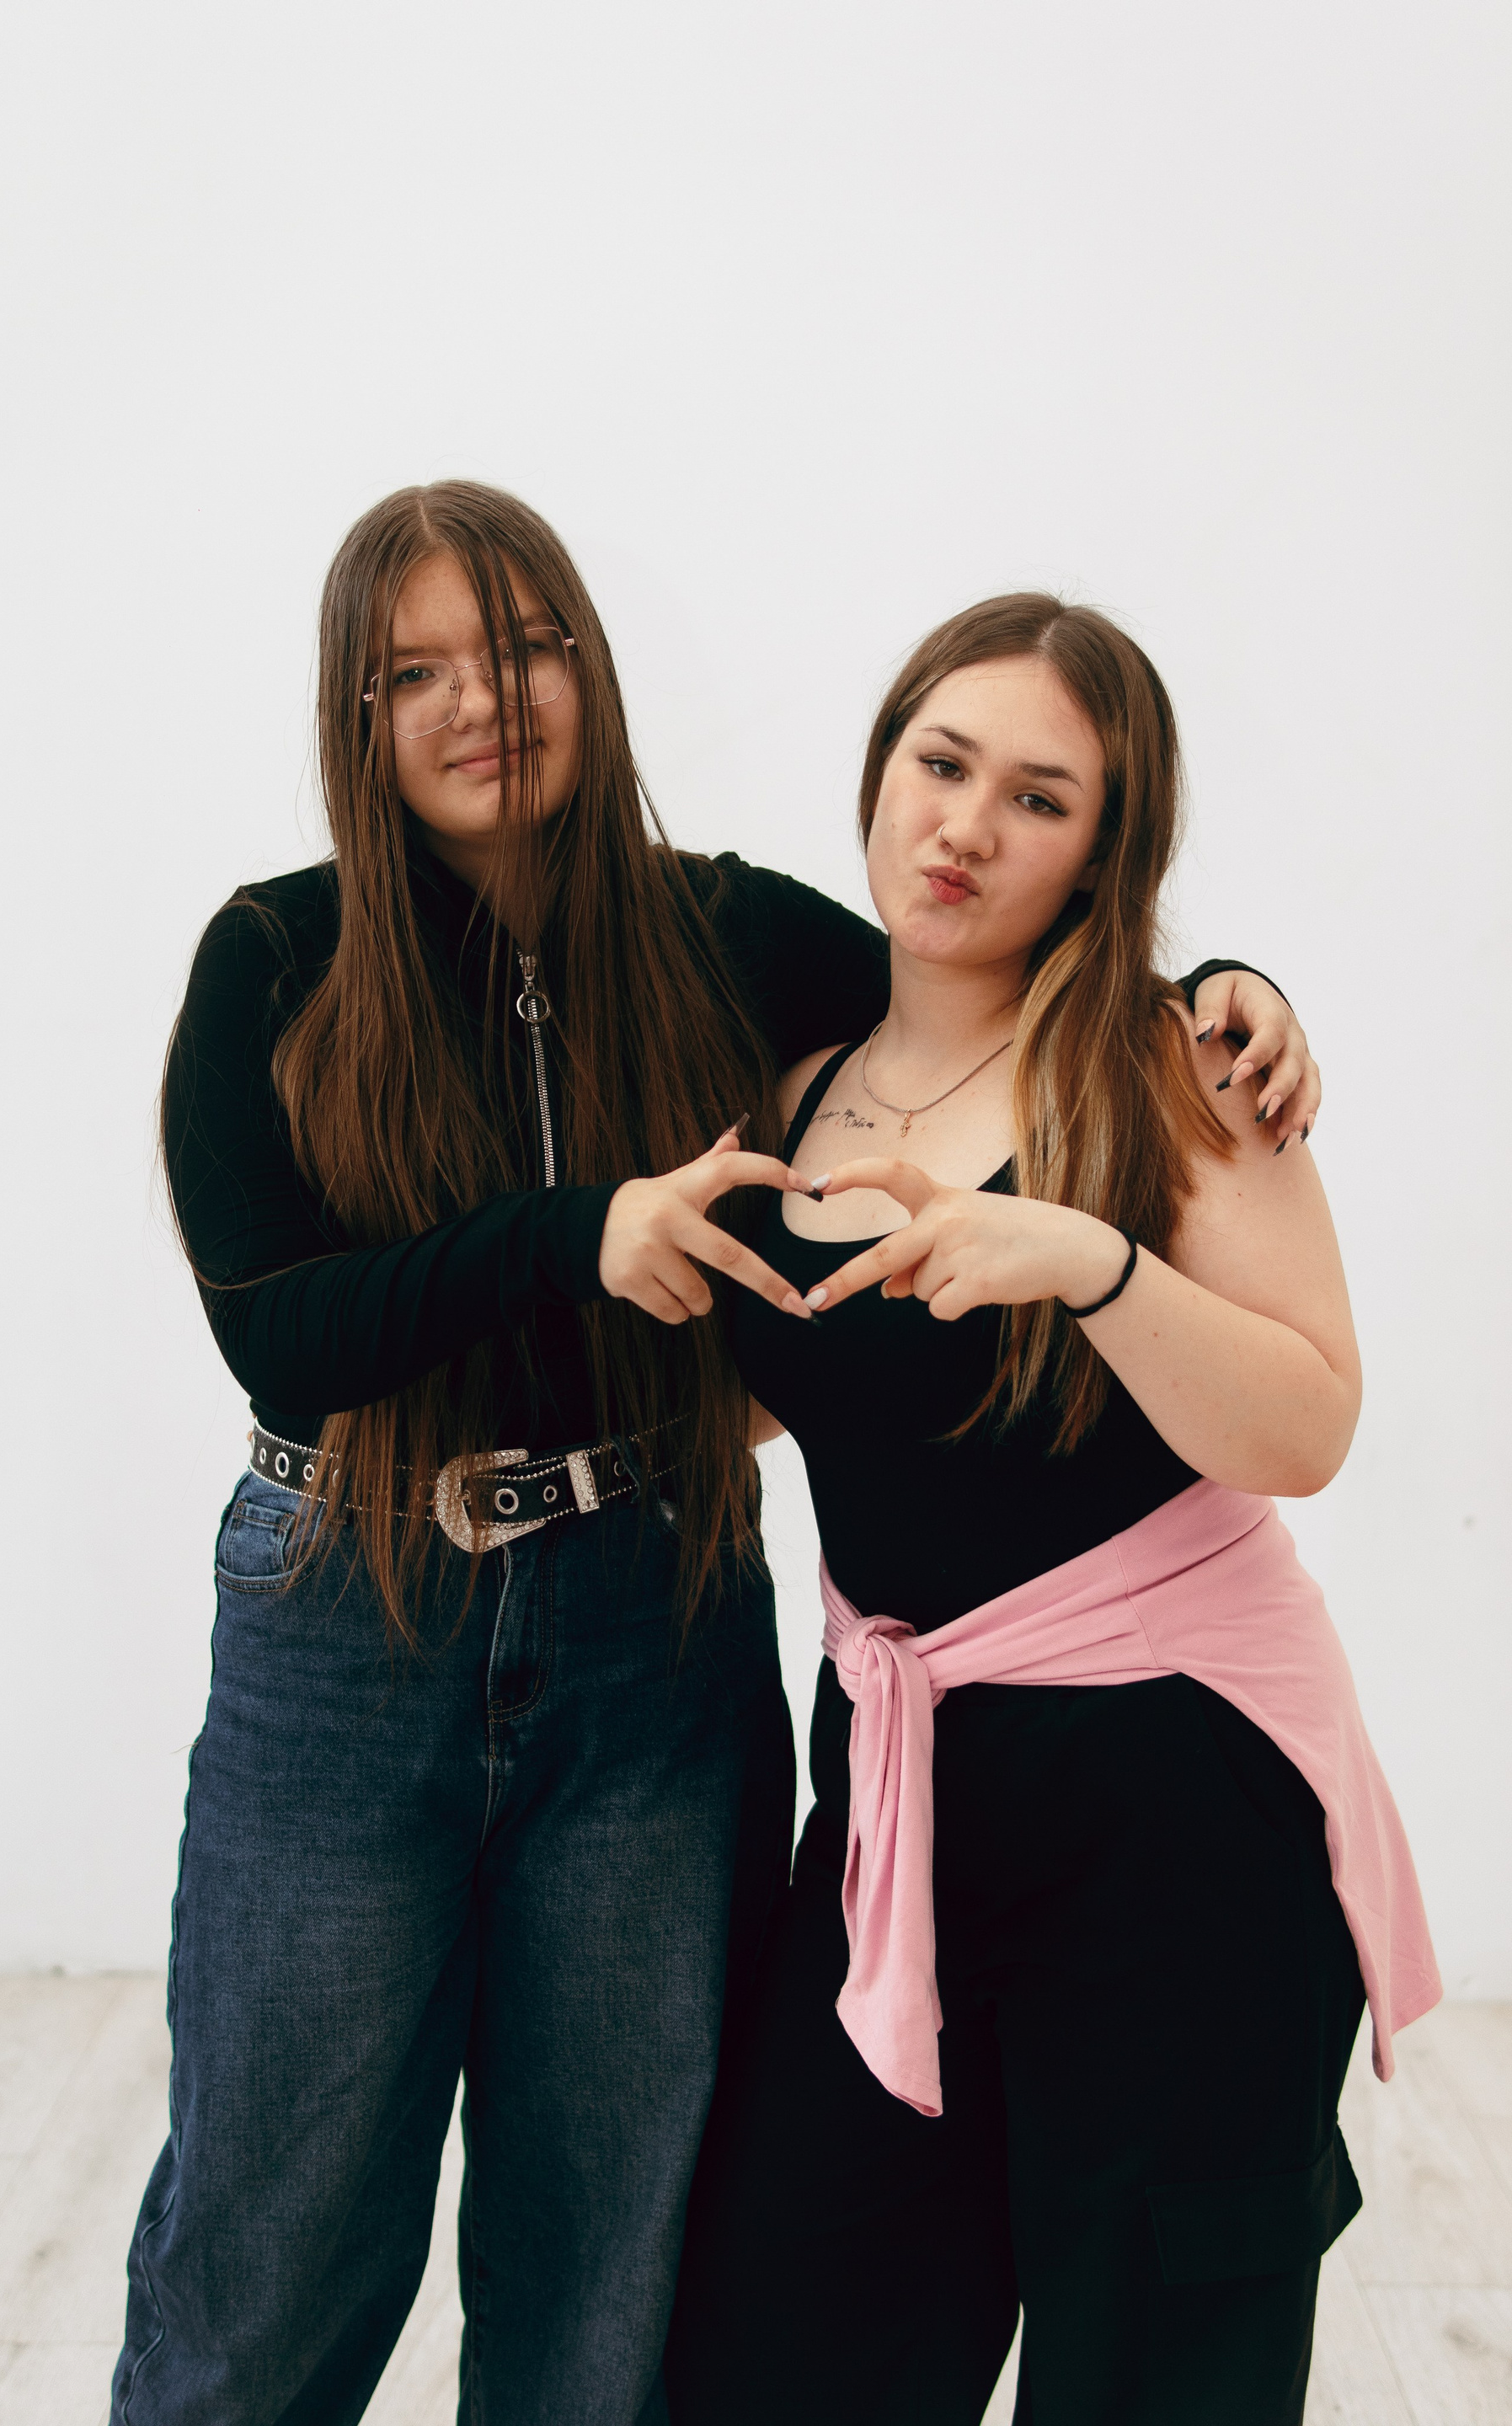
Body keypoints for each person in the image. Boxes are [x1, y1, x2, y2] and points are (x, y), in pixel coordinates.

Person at [111, 488, 1313, 2426]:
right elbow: (282, 1334)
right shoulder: (273, 955)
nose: (480, 703)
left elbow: (987, 974)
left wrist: (1227, 995)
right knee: (271, 2245)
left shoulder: (724, 934)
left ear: (586, 665)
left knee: (608, 2243)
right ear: (354, 711)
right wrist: (570, 1233)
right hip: (348, 1619)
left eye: (522, 650)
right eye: (413, 672)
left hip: (644, 1621)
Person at [665, 594, 1438, 2426]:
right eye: (942, 765)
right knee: (775, 2351)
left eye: (1038, 798)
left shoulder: (1173, 1063)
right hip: (897, 1803)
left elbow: (1310, 1422)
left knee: (1158, 2374)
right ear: (881, 768)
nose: (965, 827)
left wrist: (1090, 1265)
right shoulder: (791, 1090)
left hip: (1176, 1827)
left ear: (1104, 850)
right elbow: (812, 1409)